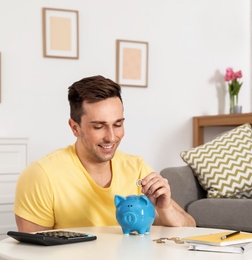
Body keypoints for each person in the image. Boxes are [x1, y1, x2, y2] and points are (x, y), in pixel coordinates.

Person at [14, 75, 196, 232]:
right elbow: (33, 251)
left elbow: (191, 229)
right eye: (99, 126)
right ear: (75, 128)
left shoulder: (136, 168)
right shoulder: (42, 175)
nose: (111, 137)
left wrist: (165, 209)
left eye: (117, 124)